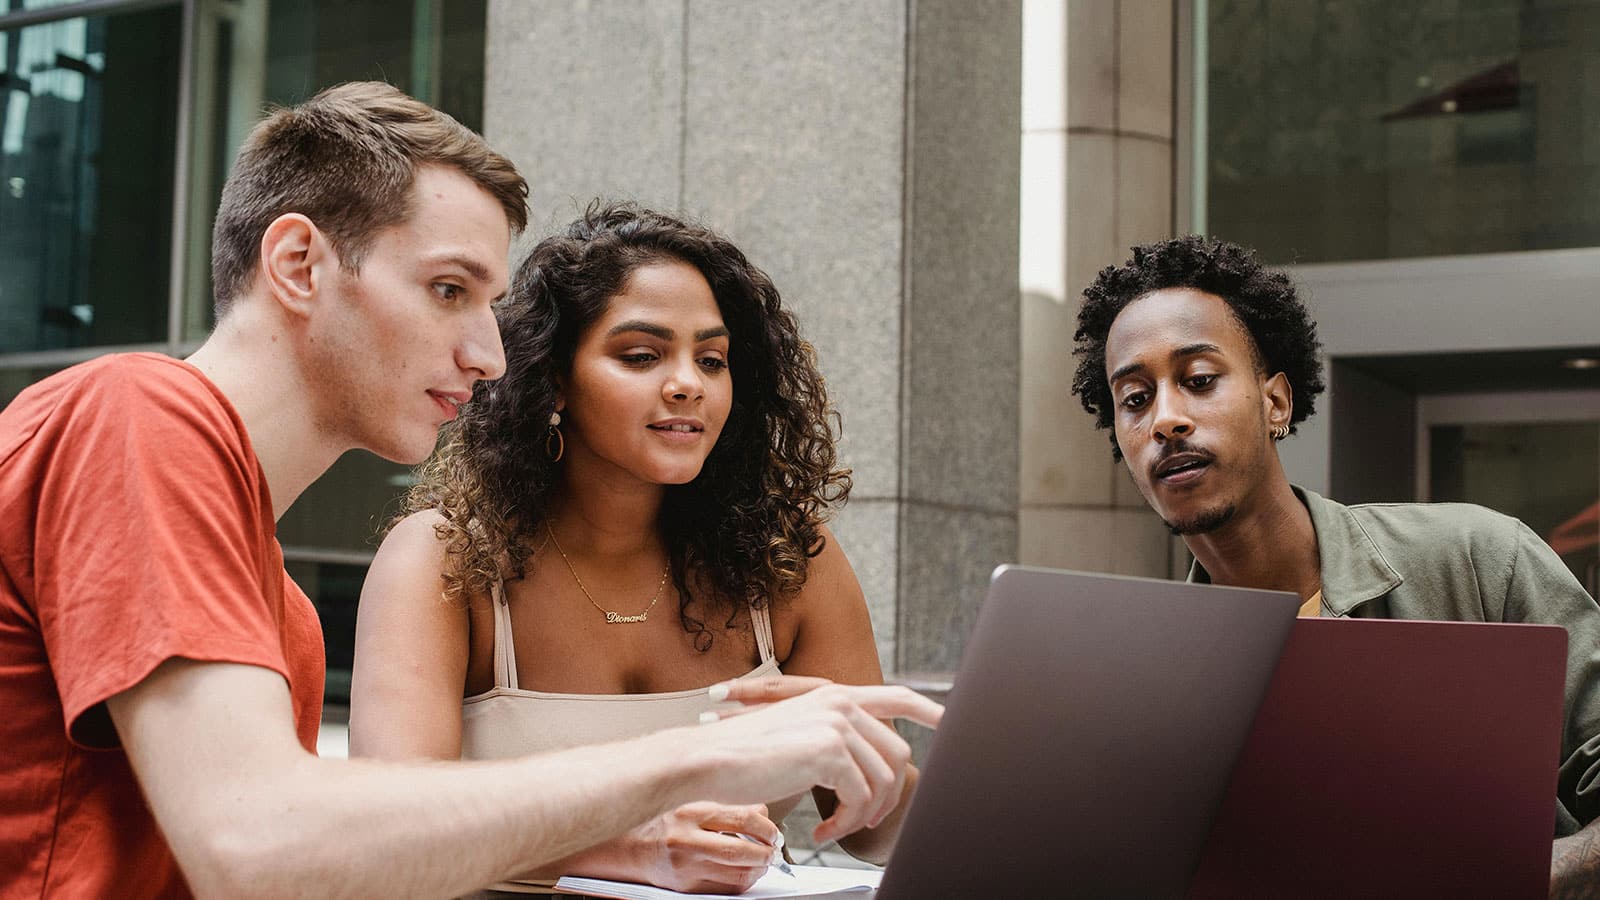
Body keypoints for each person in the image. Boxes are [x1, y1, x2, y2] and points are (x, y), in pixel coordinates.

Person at [0, 82, 940, 899]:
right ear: (298, 265)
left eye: (491, 308)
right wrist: (700, 759)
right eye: (450, 290)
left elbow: (331, 869)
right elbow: (256, 842)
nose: (490, 355)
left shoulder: (279, 608)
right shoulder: (140, 411)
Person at [348, 202, 915, 894]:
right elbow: (389, 834)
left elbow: (870, 835)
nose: (688, 384)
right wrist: (625, 845)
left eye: (712, 359)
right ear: (554, 378)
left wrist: (887, 777)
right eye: (642, 356)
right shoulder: (443, 559)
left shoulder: (788, 560)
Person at [1069, 234, 1600, 891]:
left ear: (1277, 403)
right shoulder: (1156, 687)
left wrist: (1524, 878)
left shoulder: (1483, 559)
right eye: (1135, 399)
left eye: (1198, 381)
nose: (1167, 419)